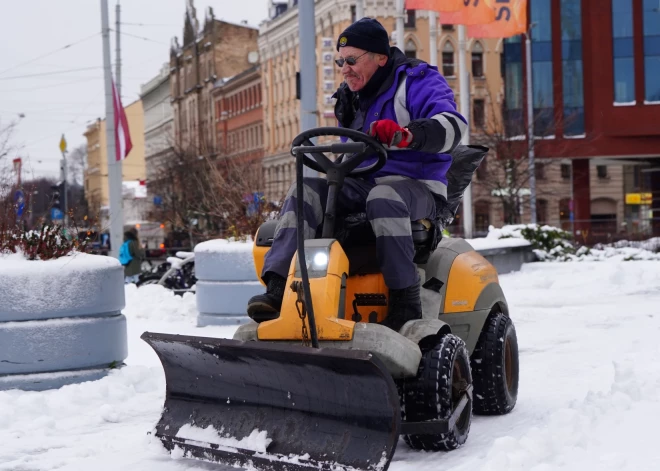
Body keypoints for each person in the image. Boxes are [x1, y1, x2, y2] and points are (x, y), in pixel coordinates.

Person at [247, 18, 467, 331]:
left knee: (384, 195)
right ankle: (279, 289)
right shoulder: (351, 95)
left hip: (416, 187)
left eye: (352, 60)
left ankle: (405, 299)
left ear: (381, 57)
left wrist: (406, 135)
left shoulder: (417, 80)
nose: (345, 69)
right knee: (305, 189)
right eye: (340, 62)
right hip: (363, 182)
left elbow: (454, 126)